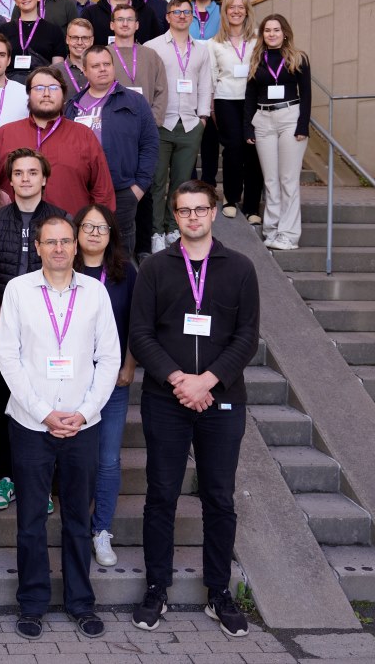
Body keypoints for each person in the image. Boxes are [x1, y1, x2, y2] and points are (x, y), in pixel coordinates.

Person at [130, 180, 259, 638]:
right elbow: (140, 334)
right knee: (161, 495)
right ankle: (156, 587)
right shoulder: (155, 268)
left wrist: (208, 380)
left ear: (213, 211)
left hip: (222, 398)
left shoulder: (240, 268)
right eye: (184, 211)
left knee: (219, 497)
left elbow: (247, 336)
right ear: (175, 215)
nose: (193, 217)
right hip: (166, 399)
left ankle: (218, 591)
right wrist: (179, 379)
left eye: (200, 209)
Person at [0, 215, 120, 641]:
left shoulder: (96, 292)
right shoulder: (18, 290)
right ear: (37, 247)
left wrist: (83, 413)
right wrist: (44, 412)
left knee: (77, 519)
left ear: (76, 245)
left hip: (83, 425)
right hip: (31, 424)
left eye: (66, 241)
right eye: (50, 242)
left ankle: (80, 603)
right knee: (31, 519)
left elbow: (110, 358)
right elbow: (8, 357)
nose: (59, 249)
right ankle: (32, 603)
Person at [0, 149, 69, 514]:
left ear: (44, 179)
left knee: (46, 402)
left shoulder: (60, 220)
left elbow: (66, 271)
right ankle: (8, 477)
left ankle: (40, 483)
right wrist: (6, 323)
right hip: (5, 331)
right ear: (9, 180)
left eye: (33, 172)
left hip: (51, 333)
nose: (25, 178)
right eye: (18, 173)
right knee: (6, 405)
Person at [74, 203, 138, 570]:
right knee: (78, 456)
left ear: (111, 234)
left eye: (102, 228)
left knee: (109, 458)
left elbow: (137, 322)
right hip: (72, 380)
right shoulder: (64, 268)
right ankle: (76, 526)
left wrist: (129, 363)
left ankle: (101, 529)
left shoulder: (125, 273)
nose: (95, 233)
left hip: (112, 380)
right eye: (88, 226)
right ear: (76, 231)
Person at [67, 45, 160, 252]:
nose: (102, 69)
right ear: (84, 70)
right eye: (95, 66)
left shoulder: (134, 101)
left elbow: (150, 144)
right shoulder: (73, 106)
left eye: (107, 64)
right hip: (83, 191)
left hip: (122, 191)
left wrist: (139, 187)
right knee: (83, 248)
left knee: (119, 253)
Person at [0, 67, 116, 218]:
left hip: (70, 229)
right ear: (29, 94)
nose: (46, 94)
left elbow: (102, 191)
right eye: (39, 88)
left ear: (63, 94)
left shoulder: (84, 135)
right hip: (14, 228)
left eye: (54, 88)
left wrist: (96, 225)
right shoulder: (6, 134)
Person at [146, 0, 214, 252]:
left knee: (181, 182)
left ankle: (172, 227)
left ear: (192, 17)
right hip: (161, 123)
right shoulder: (152, 47)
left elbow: (206, 85)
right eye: (177, 12)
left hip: (189, 124)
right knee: (157, 182)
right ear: (168, 16)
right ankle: (155, 231)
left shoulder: (201, 50)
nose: (182, 16)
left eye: (186, 12)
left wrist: (203, 118)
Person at [104, 3, 170, 261]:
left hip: (146, 129)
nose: (124, 24)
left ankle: (143, 247)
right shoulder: (105, 55)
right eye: (119, 19)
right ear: (112, 25)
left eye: (129, 19)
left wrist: (152, 121)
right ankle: (112, 249)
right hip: (115, 132)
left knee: (146, 187)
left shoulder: (150, 55)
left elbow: (161, 90)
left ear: (137, 25)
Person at [244, 14, 311, 250]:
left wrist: (303, 125)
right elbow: (250, 95)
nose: (271, 34)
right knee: (270, 179)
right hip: (263, 120)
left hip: (289, 118)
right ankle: (272, 230)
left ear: (285, 33)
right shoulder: (257, 58)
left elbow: (306, 94)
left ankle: (289, 235)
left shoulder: (298, 58)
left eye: (276, 30)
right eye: (267, 30)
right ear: (262, 34)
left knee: (287, 180)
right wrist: (248, 126)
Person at [207, 0, 263, 223]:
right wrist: (211, 108)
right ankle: (231, 199)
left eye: (241, 7)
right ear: (225, 12)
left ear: (247, 11)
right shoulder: (214, 43)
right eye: (232, 7)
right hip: (226, 99)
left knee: (253, 151)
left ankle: (252, 206)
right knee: (233, 150)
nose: (236, 11)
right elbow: (212, 76)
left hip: (253, 101)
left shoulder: (258, 40)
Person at [1, 0, 65, 84]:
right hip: (10, 86)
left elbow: (57, 70)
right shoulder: (4, 30)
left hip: (42, 86)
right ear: (16, 1)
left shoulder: (54, 31)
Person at [57, 18, 95, 109]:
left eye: (85, 38)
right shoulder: (54, 72)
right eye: (75, 37)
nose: (79, 43)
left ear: (92, 40)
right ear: (67, 39)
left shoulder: (100, 70)